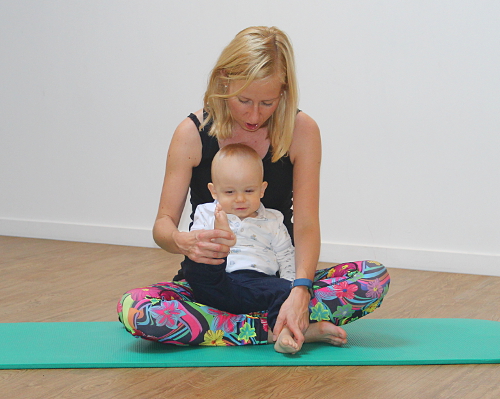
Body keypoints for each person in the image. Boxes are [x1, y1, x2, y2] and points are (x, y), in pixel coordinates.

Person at [117, 26, 390, 351]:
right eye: (243, 100)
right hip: (210, 286)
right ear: (223, 81)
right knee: (136, 309)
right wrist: (183, 242)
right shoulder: (190, 134)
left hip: (274, 283)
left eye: (268, 102)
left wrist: (299, 290)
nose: (254, 114)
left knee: (373, 279)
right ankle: (280, 327)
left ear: (284, 93)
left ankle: (231, 326)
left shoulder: (303, 132)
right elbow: (162, 225)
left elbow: (304, 226)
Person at [183, 143, 300, 353]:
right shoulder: (206, 213)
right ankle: (220, 237)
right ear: (213, 191)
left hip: (258, 285)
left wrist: (292, 289)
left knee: (283, 289)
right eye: (229, 191)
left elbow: (285, 255)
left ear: (262, 189)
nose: (240, 199)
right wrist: (216, 237)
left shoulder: (273, 220)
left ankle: (281, 331)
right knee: (194, 266)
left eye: (249, 191)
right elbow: (195, 248)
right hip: (220, 281)